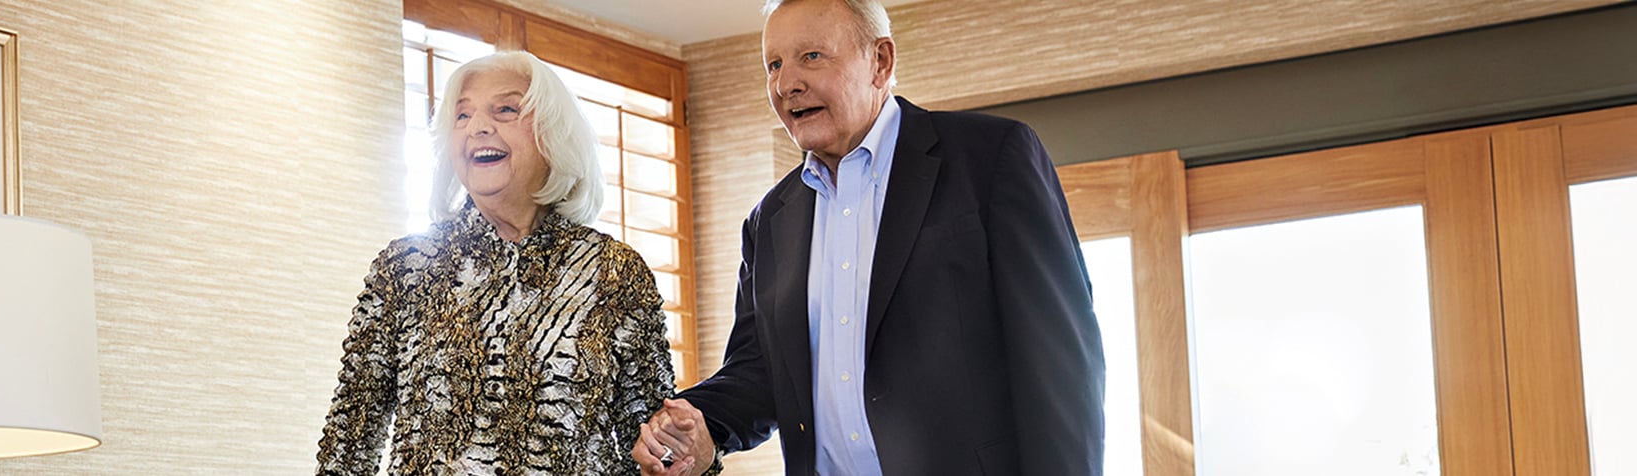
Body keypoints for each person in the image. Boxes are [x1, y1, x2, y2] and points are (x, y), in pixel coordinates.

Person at [633, 0, 1105, 474]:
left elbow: (1062, 365)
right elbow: (760, 373)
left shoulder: (991, 158)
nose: (785, 83)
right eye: (773, 64)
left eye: (811, 56)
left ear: (880, 61)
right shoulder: (769, 221)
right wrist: (699, 424)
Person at [315, 51, 677, 475]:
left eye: (505, 109)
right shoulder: (405, 267)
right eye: (462, 115)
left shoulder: (612, 272)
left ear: (554, 134)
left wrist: (681, 454)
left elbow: (656, 442)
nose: (479, 127)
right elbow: (348, 443)